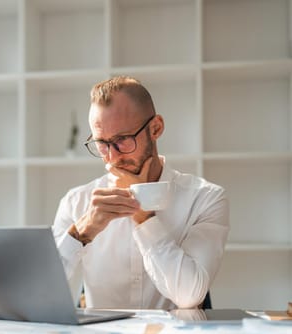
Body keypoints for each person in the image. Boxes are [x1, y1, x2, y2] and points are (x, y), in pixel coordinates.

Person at [52, 76, 229, 309]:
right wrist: (82, 232)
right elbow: (36, 292)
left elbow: (189, 296)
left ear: (156, 128)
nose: (112, 157)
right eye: (102, 144)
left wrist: (144, 218)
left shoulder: (205, 199)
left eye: (122, 140)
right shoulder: (77, 202)